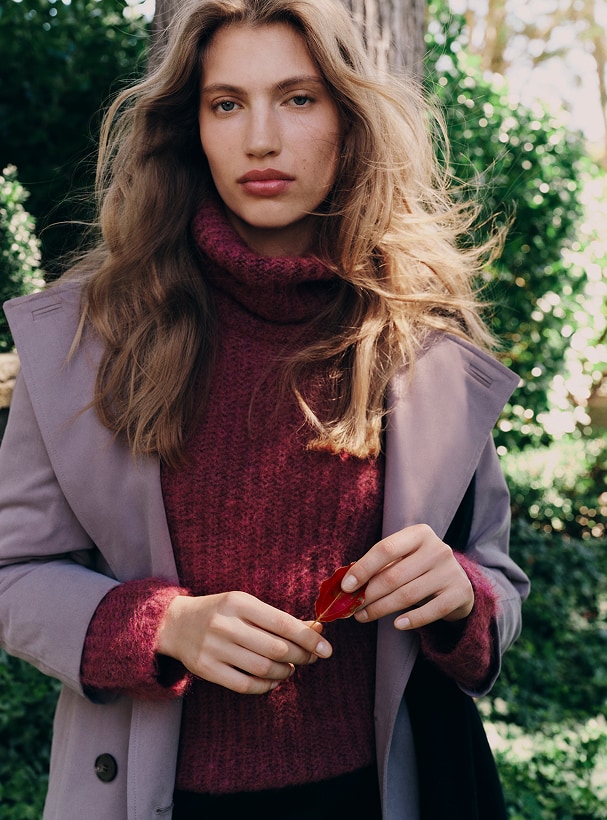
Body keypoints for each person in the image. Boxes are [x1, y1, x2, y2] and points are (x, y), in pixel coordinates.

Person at [0, 1, 530, 818]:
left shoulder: (420, 335)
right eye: (225, 103)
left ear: (348, 119)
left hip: (380, 795)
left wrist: (460, 595)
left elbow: (496, 583)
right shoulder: (83, 340)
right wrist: (159, 626)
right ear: (190, 127)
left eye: (297, 98)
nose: (259, 139)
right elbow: (13, 575)